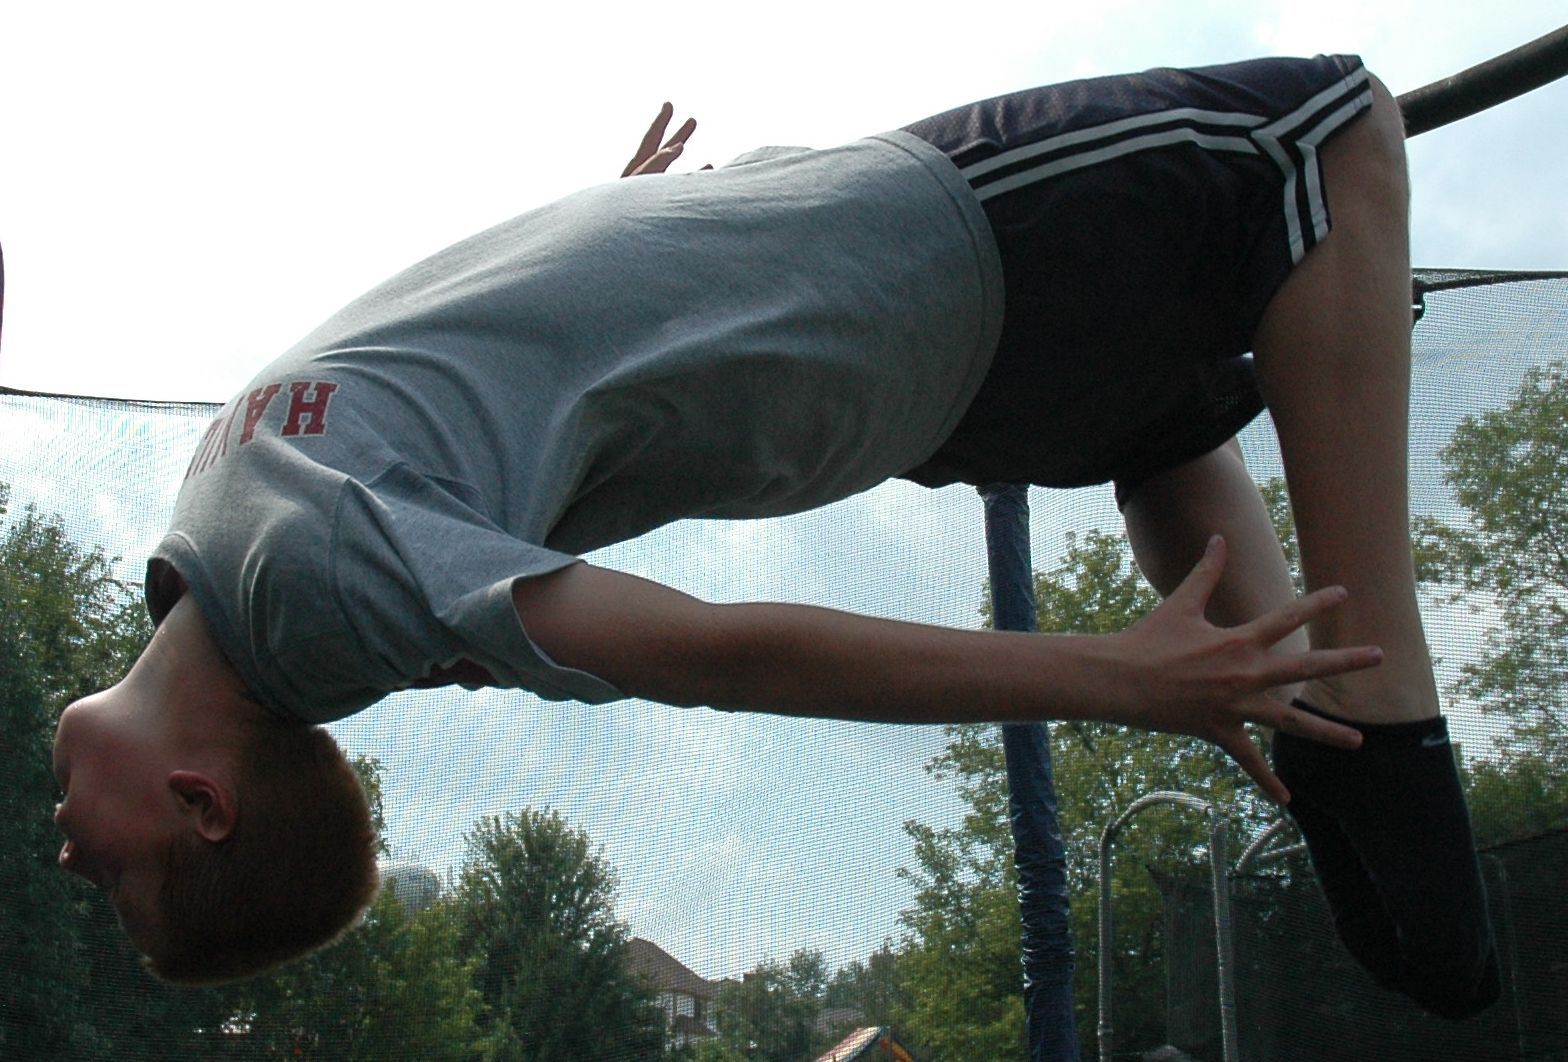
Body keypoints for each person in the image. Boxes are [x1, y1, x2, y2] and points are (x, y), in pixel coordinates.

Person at [52, 55, 1497, 1015]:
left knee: (1164, 438)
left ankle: (1349, 775)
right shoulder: (317, 601)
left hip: (924, 361)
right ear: (202, 804)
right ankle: (1387, 711)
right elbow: (708, 650)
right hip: (902, 268)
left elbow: (447, 384)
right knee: (1331, 136)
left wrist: (606, 235)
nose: (72, 863)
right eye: (122, 880)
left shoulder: (222, 575)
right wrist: (1110, 675)